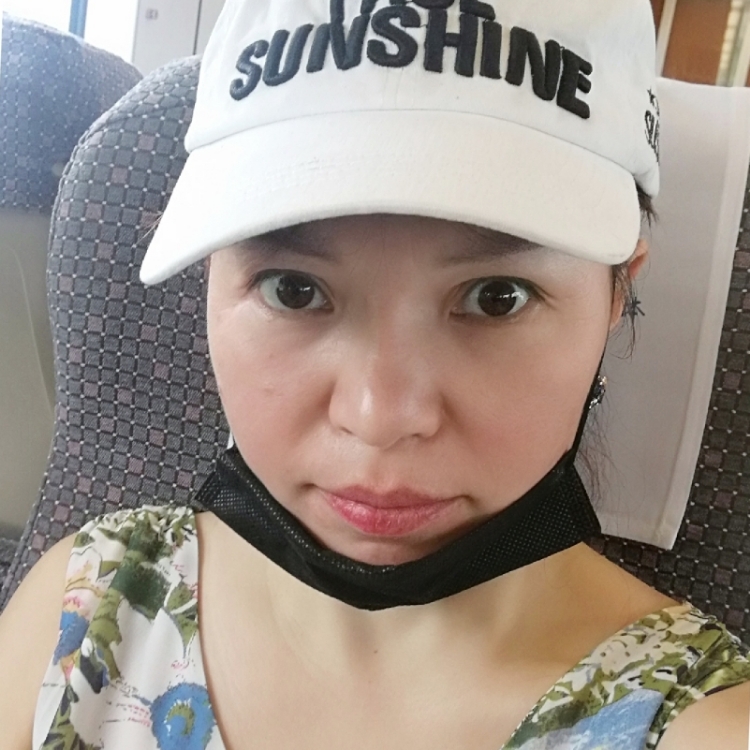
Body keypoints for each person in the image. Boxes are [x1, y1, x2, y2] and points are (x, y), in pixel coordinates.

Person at [2, 0, 750, 748]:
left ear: (617, 294)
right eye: (294, 290)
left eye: (496, 298)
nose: (379, 416)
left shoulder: (701, 725)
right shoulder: (79, 615)